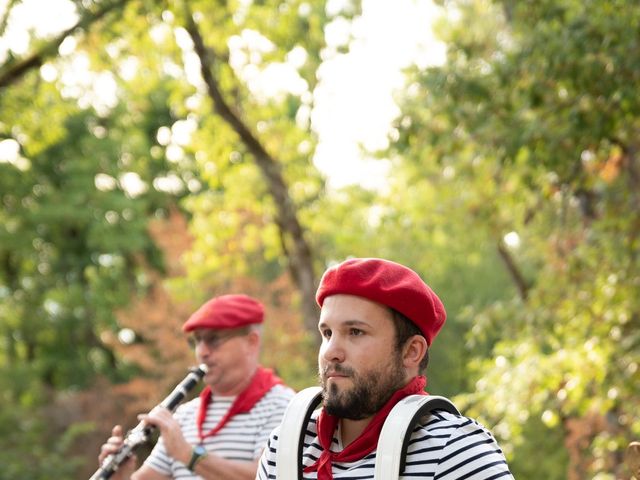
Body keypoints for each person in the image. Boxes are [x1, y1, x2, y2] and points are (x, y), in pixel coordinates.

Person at [257, 257, 514, 479]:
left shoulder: (456, 451)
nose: (331, 352)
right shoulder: (286, 446)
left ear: (411, 351)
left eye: (355, 332)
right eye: (327, 333)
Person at [98, 294, 295, 480]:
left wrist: (188, 455)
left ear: (251, 342)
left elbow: (269, 475)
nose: (201, 351)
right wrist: (120, 476)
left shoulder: (283, 405)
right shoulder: (184, 415)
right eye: (197, 341)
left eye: (214, 340)